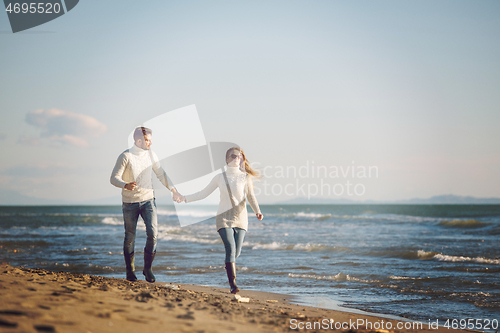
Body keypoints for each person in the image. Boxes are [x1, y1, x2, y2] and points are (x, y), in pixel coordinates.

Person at [182, 147, 263, 294]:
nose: (237, 158)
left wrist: (257, 211)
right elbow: (203, 193)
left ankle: (228, 263)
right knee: (231, 249)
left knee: (235, 253)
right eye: (233, 156)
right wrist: (185, 198)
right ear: (227, 159)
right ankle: (233, 285)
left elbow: (251, 196)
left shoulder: (245, 177)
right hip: (223, 218)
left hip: (241, 219)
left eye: (239, 156)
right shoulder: (219, 177)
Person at [110, 127, 185, 282]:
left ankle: (147, 269)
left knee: (153, 234)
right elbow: (113, 178)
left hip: (148, 201)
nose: (151, 142)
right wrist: (125, 184)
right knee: (130, 237)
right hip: (129, 203)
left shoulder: (151, 154)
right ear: (139, 141)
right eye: (148, 140)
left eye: (151, 139)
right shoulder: (125, 156)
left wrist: (173, 190)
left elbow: (161, 174)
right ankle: (130, 271)